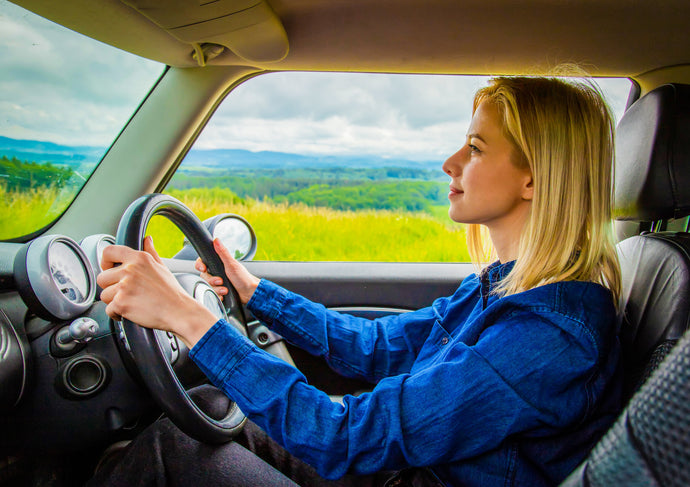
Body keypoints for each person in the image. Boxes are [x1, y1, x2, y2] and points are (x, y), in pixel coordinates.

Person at [91, 76, 622, 487]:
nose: (450, 162)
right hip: (409, 473)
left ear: (535, 177)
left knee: (175, 450)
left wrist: (188, 317)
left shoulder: (549, 335)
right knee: (212, 407)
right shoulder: (503, 287)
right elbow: (375, 345)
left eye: (476, 149)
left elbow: (342, 437)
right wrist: (254, 292)